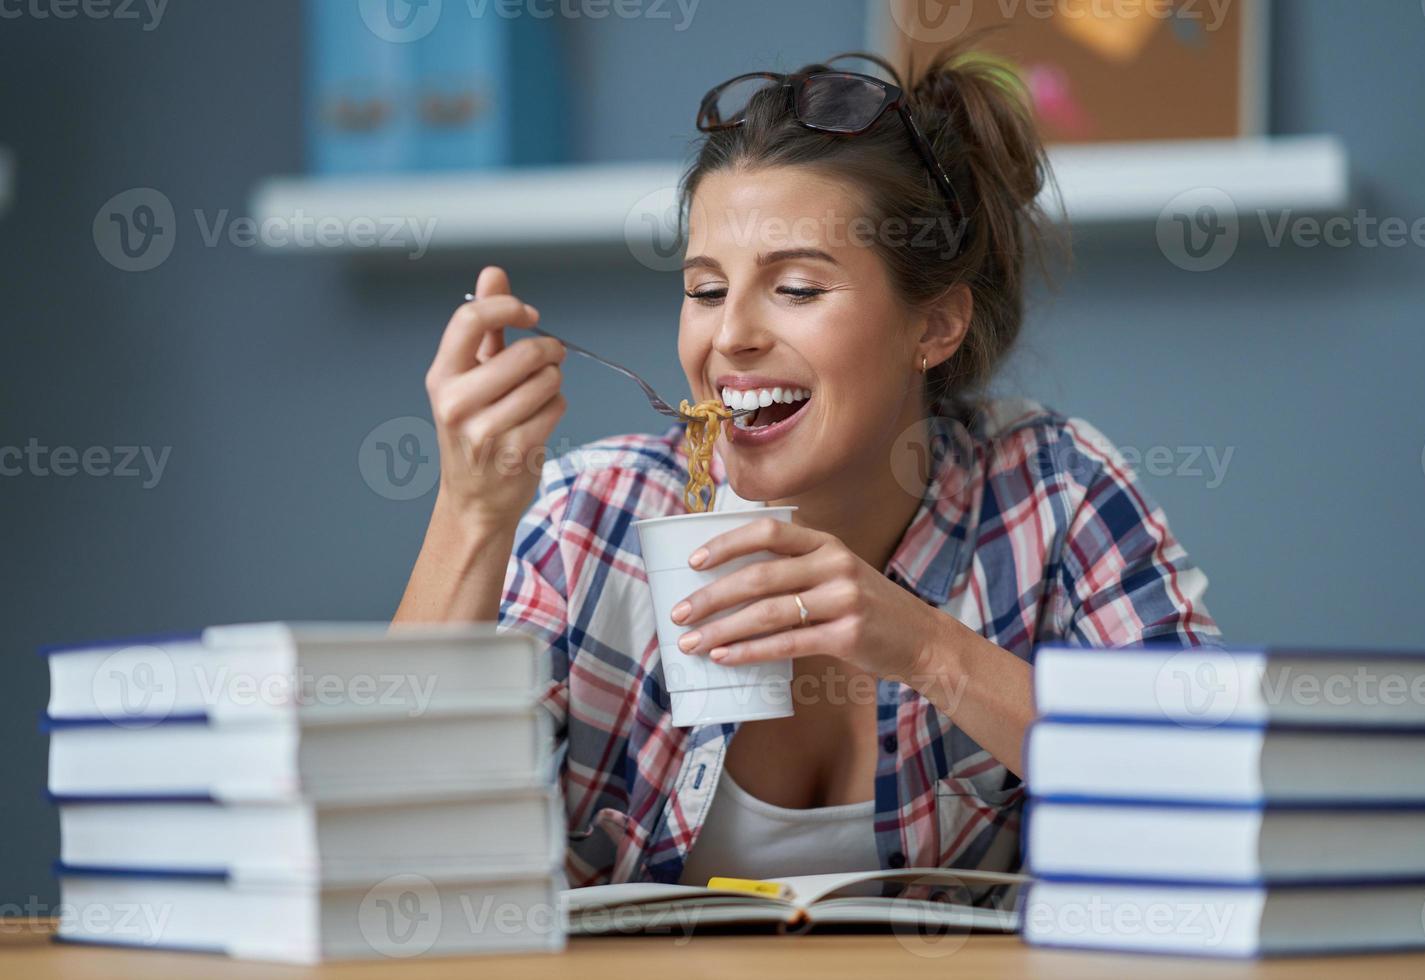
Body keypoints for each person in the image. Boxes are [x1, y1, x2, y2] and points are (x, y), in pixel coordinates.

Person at [394, 43, 1220, 888]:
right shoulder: (591, 517)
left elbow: (1213, 793)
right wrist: (472, 510)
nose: (730, 337)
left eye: (795, 288)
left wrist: (928, 648)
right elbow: (386, 837)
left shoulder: (1050, 490)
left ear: (933, 327)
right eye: (706, 290)